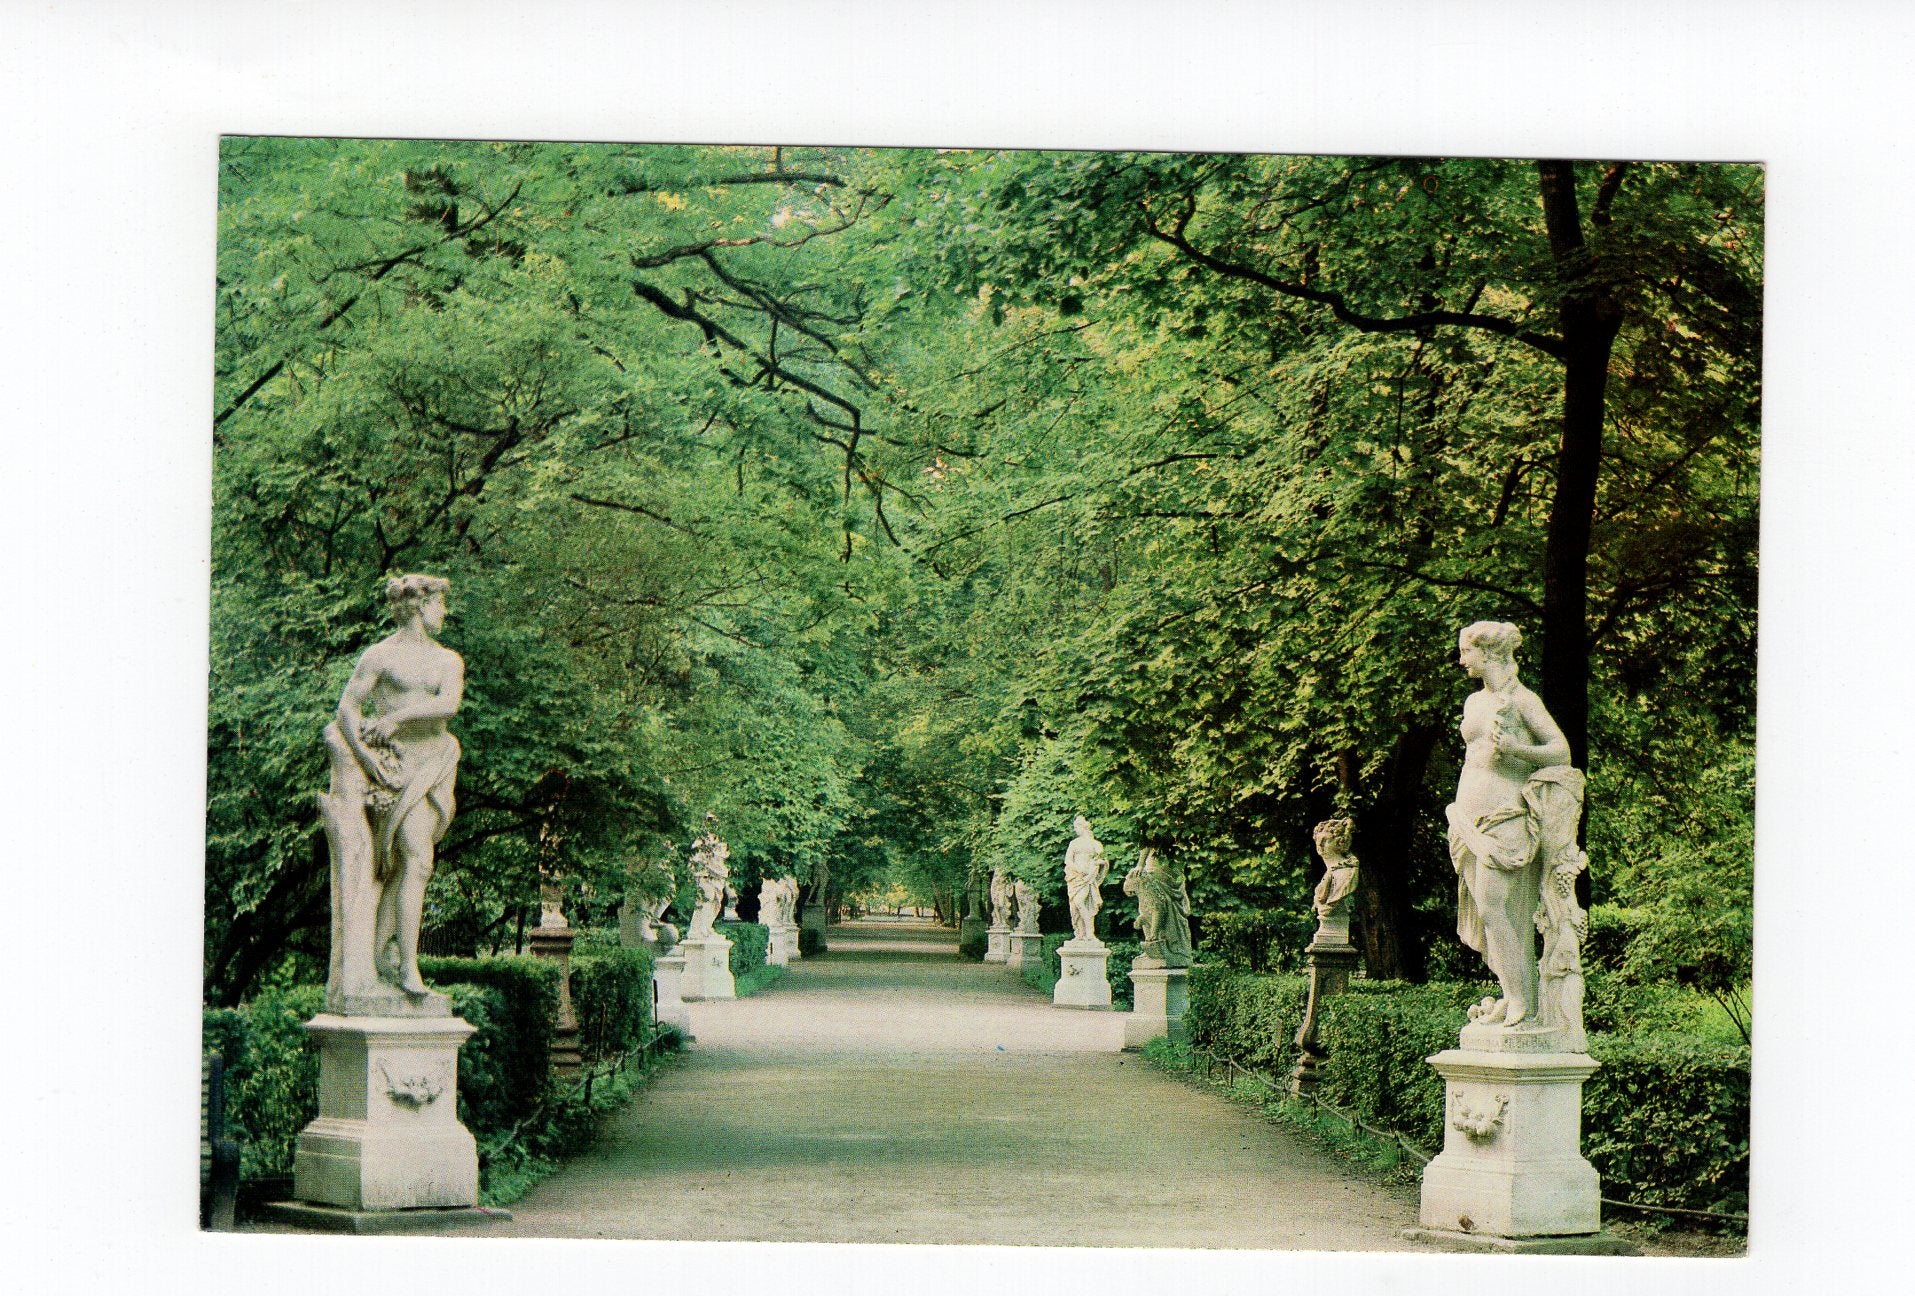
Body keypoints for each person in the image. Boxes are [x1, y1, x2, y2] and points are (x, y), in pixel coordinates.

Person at [319, 574, 465, 1006]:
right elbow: (347, 708)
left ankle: (387, 953)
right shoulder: (380, 655)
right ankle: (406, 966)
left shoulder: (448, 660)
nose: (444, 612)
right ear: (420, 606)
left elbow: (448, 704)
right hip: (396, 767)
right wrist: (366, 759)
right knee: (415, 860)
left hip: (436, 761)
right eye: (439, 604)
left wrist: (396, 719)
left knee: (409, 865)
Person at [1445, 620, 1575, 1029]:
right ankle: (1513, 994)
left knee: (1496, 907)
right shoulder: (1474, 702)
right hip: (1469, 820)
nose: (1462, 660)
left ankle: (1522, 1001)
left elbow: (1561, 751)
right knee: (1491, 914)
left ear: (1488, 653)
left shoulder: (1523, 700)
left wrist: (1518, 749)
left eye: (1466, 651)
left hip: (1506, 816)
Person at [1123, 847, 1192, 967]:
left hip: (1163, 864)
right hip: (1169, 861)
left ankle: (1164, 946)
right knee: (1151, 904)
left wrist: (1140, 864)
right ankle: (1156, 947)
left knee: (1153, 904)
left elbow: (1146, 841)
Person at [1062, 815, 1111, 943]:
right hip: (1075, 877)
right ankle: (1080, 934)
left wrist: (1095, 865)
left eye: (1076, 827)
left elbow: (1102, 859)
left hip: (1088, 878)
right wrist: (1078, 869)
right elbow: (1068, 860)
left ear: (1083, 827)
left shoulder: (1095, 844)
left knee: (1081, 902)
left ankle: (1090, 933)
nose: (1075, 830)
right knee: (1074, 907)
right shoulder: (1074, 843)